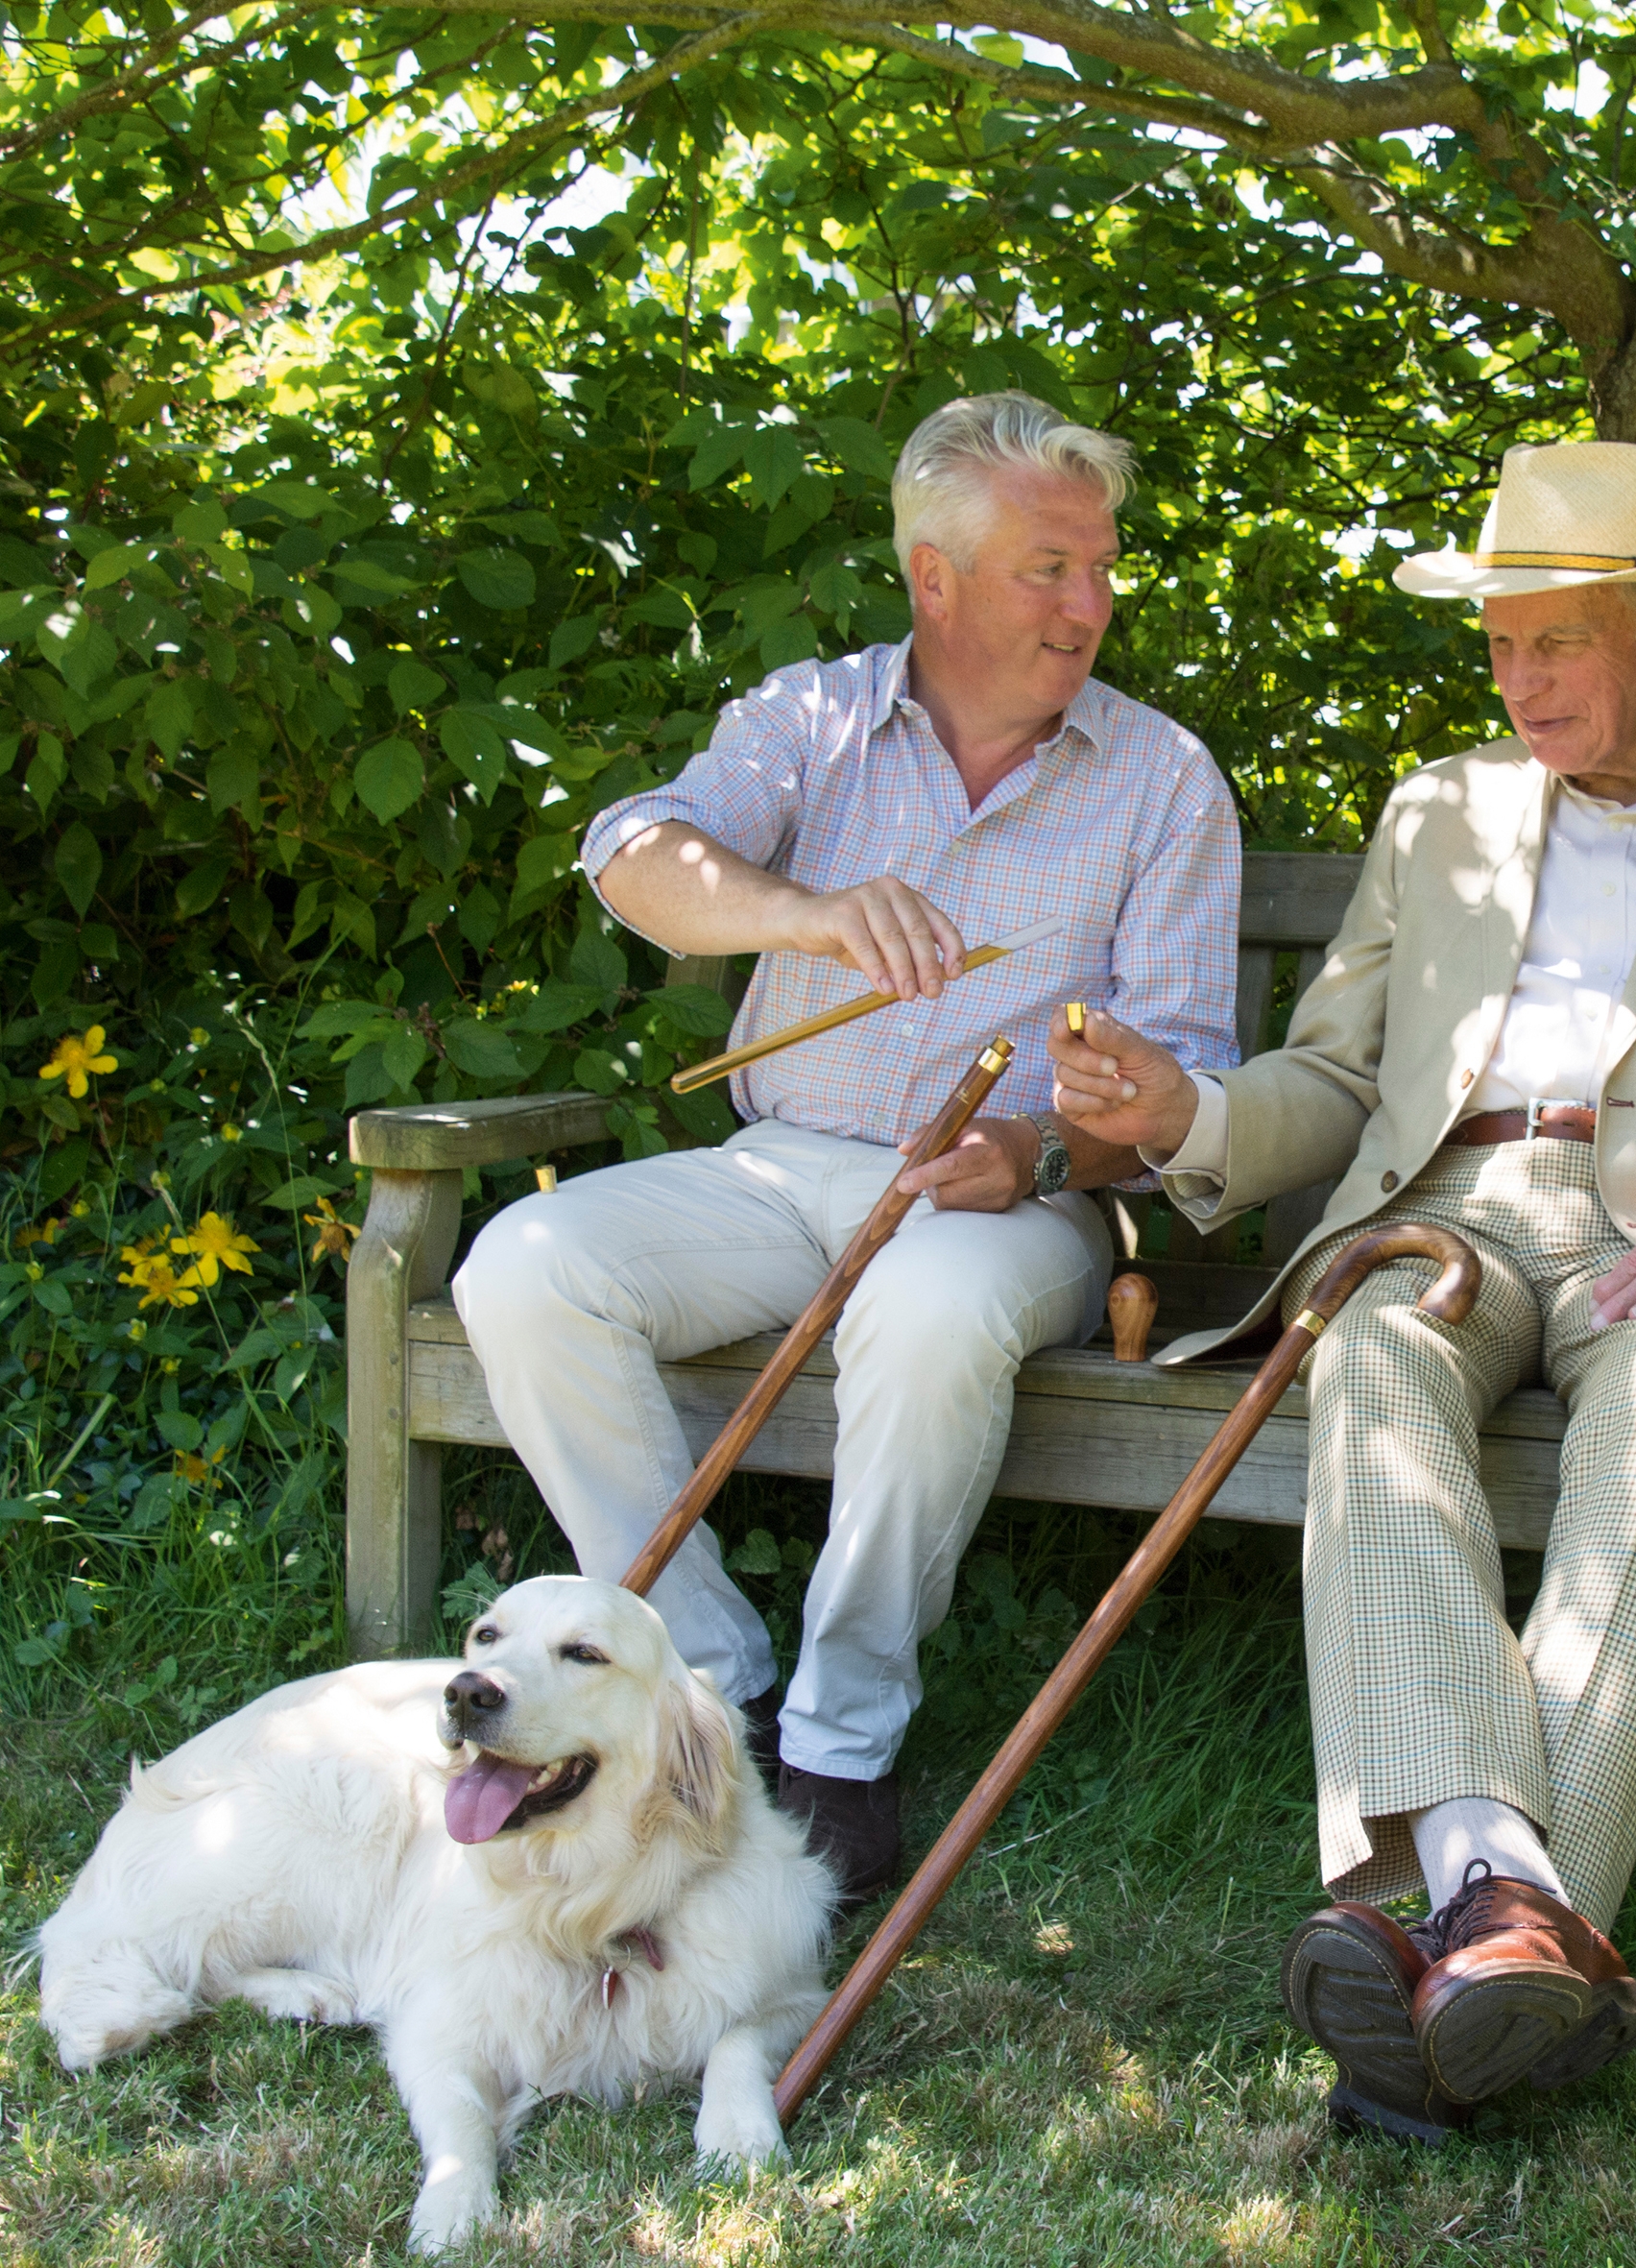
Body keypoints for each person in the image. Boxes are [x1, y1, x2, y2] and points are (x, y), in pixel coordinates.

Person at [1046, 440, 1636, 2135]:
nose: (1519, 678)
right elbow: (1333, 1072)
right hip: (1446, 1205)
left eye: (1559, 641)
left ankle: (1453, 1941)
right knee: (1369, 1359)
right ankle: (1517, 1921)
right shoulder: (1437, 810)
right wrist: (1193, 1116)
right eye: (1500, 643)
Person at [454, 393, 1240, 1903]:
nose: (1091, 603)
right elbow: (633, 851)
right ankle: (715, 1681)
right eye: (1047, 568)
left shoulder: (1161, 779)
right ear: (933, 579)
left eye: (1100, 566)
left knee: (928, 1303)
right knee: (526, 1265)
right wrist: (803, 913)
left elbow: (1189, 1079)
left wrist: (1045, 1144)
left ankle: (839, 1740)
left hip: (1004, 1206)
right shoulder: (814, 719)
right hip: (782, 1167)